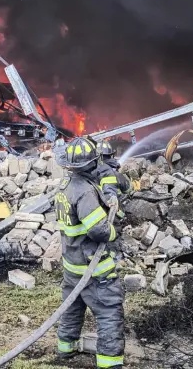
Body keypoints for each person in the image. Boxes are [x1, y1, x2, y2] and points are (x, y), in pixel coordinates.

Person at [54, 137, 125, 368]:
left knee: (72, 307)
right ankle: (109, 362)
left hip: (72, 263)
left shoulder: (64, 187)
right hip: (93, 267)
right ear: (91, 163)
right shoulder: (84, 192)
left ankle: (66, 348)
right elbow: (98, 230)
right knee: (109, 310)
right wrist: (113, 231)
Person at [93, 140, 132, 218]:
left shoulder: (89, 173)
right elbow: (129, 190)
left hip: (95, 214)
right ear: (111, 155)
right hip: (114, 216)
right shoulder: (115, 174)